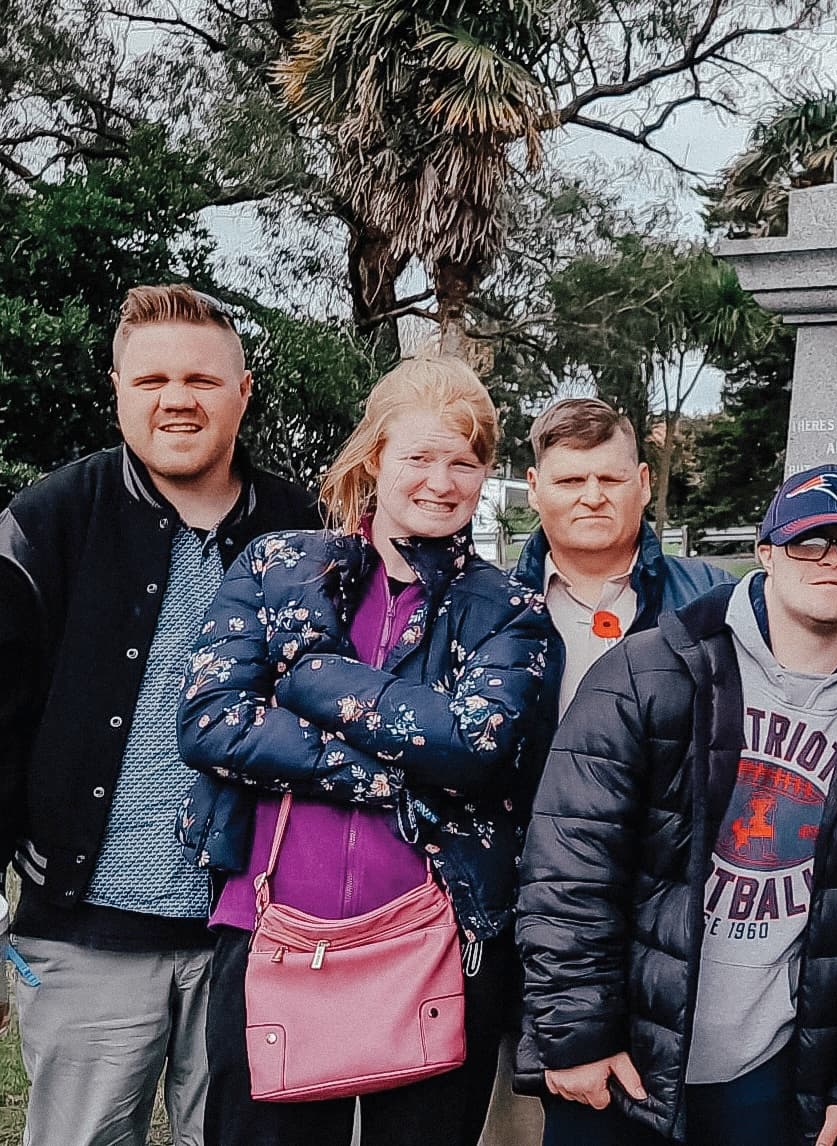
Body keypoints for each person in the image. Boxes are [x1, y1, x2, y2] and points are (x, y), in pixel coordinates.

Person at [174, 355, 550, 1146]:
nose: (441, 481)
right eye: (419, 456)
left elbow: (473, 746)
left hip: (438, 939)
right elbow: (212, 721)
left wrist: (311, 678)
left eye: (465, 461)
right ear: (375, 457)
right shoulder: (279, 569)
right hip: (273, 928)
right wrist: (387, 780)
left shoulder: (506, 609)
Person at [0, 283, 320, 1146]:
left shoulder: (307, 532)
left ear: (244, 391)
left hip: (256, 934)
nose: (177, 398)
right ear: (116, 389)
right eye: (152, 381)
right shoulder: (46, 522)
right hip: (85, 934)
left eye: (202, 380)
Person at [516, 463, 837, 1146]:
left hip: (772, 1078)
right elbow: (567, 870)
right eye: (808, 543)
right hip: (621, 1065)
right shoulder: (649, 676)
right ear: (765, 552)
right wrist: (576, 1034)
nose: (832, 562)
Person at [480, 398, 733, 1145]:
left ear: (644, 483)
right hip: (528, 917)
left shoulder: (712, 601)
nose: (591, 495)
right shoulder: (491, 606)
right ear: (535, 486)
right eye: (569, 480)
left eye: (609, 478)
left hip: (680, 915)